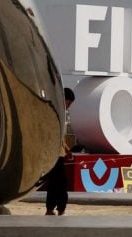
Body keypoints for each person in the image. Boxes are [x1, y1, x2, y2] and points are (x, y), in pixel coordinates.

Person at [45, 87, 75, 216]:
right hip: (55, 154)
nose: (68, 107)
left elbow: (61, 137)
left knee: (54, 182)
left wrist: (68, 150)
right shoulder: (55, 113)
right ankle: (60, 209)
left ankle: (50, 208)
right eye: (68, 103)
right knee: (61, 183)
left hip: (58, 153)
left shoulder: (58, 113)